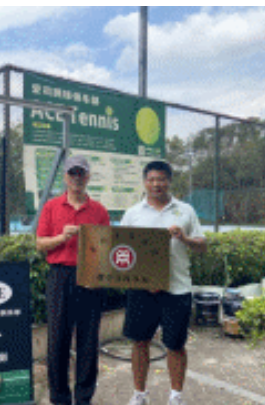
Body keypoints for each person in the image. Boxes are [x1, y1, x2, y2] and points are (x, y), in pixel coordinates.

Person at [122, 160, 207, 405]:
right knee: (140, 342)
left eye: (161, 179)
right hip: (141, 289)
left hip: (177, 288)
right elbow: (122, 249)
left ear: (169, 181)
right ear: (144, 182)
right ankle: (139, 394)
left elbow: (202, 245)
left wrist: (185, 238)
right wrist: (144, 280)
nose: (156, 184)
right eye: (151, 179)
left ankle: (176, 396)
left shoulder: (185, 211)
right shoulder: (133, 213)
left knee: (175, 345)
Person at [36, 155, 110, 405]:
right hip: (60, 276)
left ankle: (84, 397)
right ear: (65, 177)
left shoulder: (99, 210)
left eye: (81, 173)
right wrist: (61, 237)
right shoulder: (51, 207)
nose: (77, 178)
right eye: (72, 173)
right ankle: (59, 397)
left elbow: (107, 246)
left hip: (90, 276)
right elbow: (40, 244)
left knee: (89, 339)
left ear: (88, 177)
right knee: (58, 338)